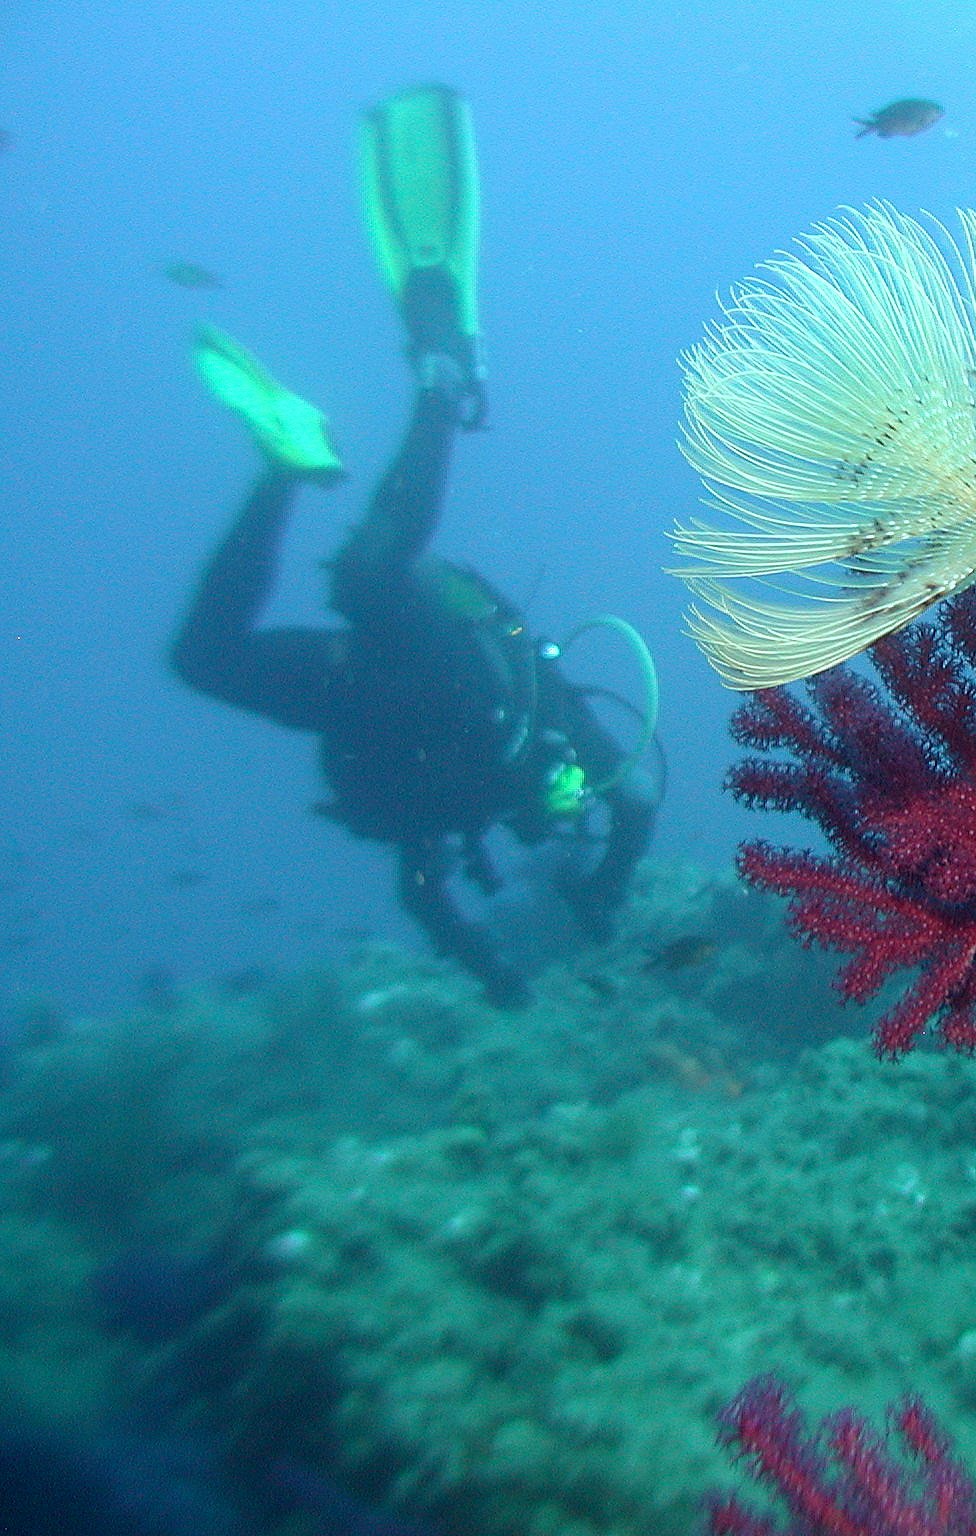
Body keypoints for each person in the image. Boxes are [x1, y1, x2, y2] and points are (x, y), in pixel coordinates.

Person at [171, 86, 656, 1008]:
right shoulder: (553, 726)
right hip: (437, 661)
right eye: (562, 807)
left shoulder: (453, 819)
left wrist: (496, 976)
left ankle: (283, 467)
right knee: (366, 574)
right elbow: (633, 802)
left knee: (201, 660)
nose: (550, 814)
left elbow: (422, 892)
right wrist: (605, 884)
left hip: (354, 692)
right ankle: (441, 382)